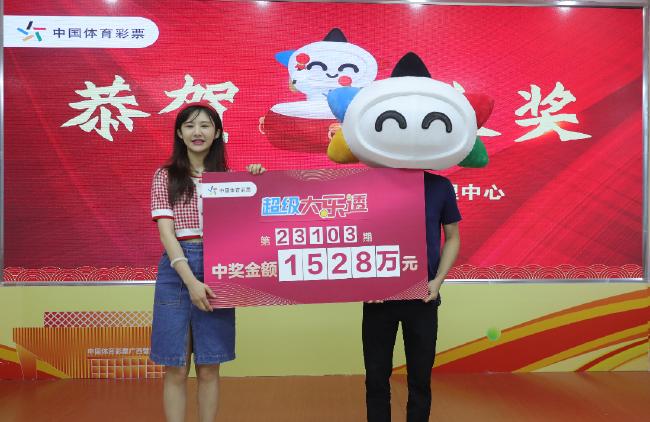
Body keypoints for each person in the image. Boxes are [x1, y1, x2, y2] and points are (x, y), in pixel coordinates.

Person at [149, 103, 264, 422]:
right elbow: (167, 234)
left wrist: (257, 181)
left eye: (204, 126)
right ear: (179, 133)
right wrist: (191, 281)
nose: (197, 132)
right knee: (175, 366)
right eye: (189, 126)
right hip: (177, 271)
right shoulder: (165, 176)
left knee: (210, 365)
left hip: (219, 268)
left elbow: (250, 228)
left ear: (217, 133)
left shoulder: (229, 179)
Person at [362, 172, 461, 422]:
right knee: (375, 379)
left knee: (420, 379)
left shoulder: (439, 186)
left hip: (423, 299)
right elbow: (353, 232)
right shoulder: (369, 184)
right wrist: (366, 282)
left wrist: (438, 280)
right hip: (378, 300)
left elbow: (452, 237)